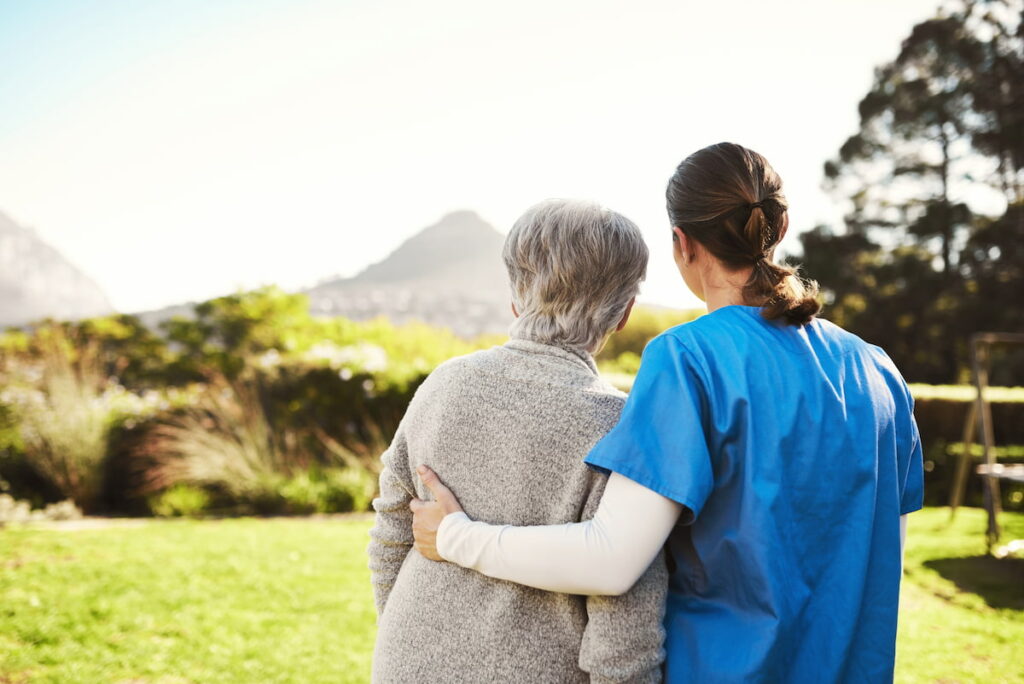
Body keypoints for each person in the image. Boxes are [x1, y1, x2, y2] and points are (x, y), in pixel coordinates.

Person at [409, 143, 925, 683]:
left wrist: (454, 536)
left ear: (681, 243)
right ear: (782, 225)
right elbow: (882, 557)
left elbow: (611, 559)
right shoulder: (878, 372)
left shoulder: (689, 359)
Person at [367, 199, 669, 683]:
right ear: (624, 313)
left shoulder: (443, 386)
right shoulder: (623, 427)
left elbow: (391, 535)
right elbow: (624, 622)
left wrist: (409, 646)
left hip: (406, 662)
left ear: (514, 295)